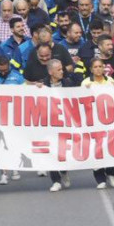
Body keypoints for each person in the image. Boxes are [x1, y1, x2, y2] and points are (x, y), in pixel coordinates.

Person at [81, 58, 114, 189]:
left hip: (109, 120)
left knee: (110, 146)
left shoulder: (110, 81)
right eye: (95, 67)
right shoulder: (86, 83)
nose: (98, 69)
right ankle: (100, 178)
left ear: (104, 68)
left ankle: (111, 174)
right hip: (93, 121)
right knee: (96, 148)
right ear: (91, 69)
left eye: (100, 66)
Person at [45, 59, 73, 192]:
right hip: (49, 125)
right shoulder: (42, 85)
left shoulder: (68, 83)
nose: (62, 72)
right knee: (51, 152)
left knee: (63, 152)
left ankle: (64, 171)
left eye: (62, 69)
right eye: (59, 70)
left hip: (65, 124)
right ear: (51, 72)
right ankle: (55, 180)